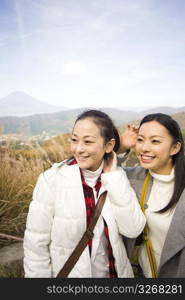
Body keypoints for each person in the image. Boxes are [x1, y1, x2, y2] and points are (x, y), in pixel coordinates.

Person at [23, 109, 145, 278]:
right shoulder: (51, 180)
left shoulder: (116, 178)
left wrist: (114, 176)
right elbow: (35, 246)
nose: (78, 149)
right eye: (74, 140)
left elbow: (133, 230)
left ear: (109, 145)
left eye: (87, 142)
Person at [120, 113, 185, 278]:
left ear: (175, 148)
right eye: (140, 140)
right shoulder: (135, 178)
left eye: (155, 141)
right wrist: (121, 147)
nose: (144, 148)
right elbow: (100, 169)